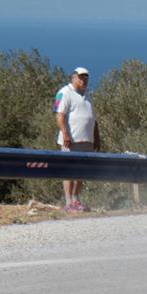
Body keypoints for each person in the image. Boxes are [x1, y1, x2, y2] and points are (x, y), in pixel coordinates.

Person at [53, 67, 100, 213]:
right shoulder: (64, 93)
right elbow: (59, 115)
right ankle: (68, 202)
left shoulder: (88, 95)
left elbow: (93, 118)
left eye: (86, 78)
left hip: (87, 140)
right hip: (71, 141)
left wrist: (96, 137)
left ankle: (75, 199)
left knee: (82, 171)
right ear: (74, 78)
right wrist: (65, 134)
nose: (83, 80)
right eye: (80, 78)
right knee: (69, 171)